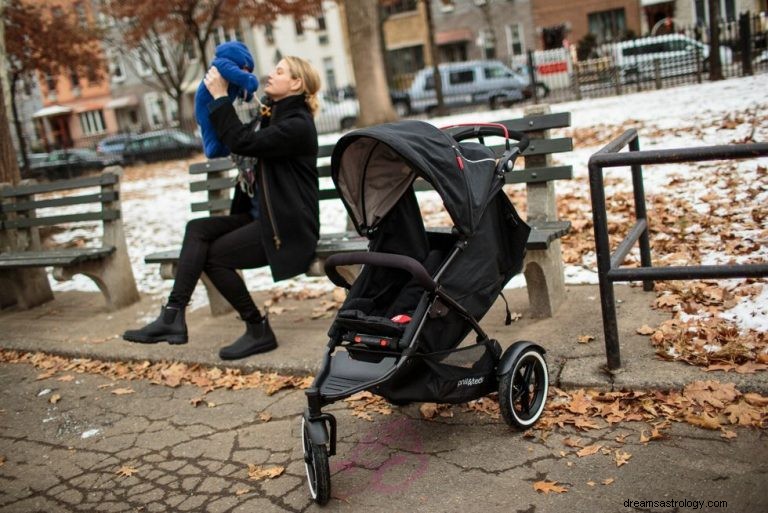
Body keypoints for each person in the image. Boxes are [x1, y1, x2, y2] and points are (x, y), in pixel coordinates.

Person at [123, 56, 321, 360]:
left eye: (279, 71)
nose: (270, 74)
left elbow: (241, 141)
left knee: (214, 258)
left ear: (296, 83)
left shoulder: (296, 125)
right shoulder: (273, 116)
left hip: (287, 227)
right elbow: (235, 140)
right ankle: (173, 314)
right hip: (263, 218)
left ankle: (257, 328)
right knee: (197, 230)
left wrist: (218, 97)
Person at [194, 41, 259, 158]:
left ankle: (219, 148)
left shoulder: (229, 74)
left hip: (214, 106)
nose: (245, 71)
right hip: (205, 104)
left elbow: (240, 88)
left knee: (215, 127)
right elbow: (238, 76)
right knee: (209, 126)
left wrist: (246, 94)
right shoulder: (223, 64)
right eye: (245, 68)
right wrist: (249, 79)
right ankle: (212, 149)